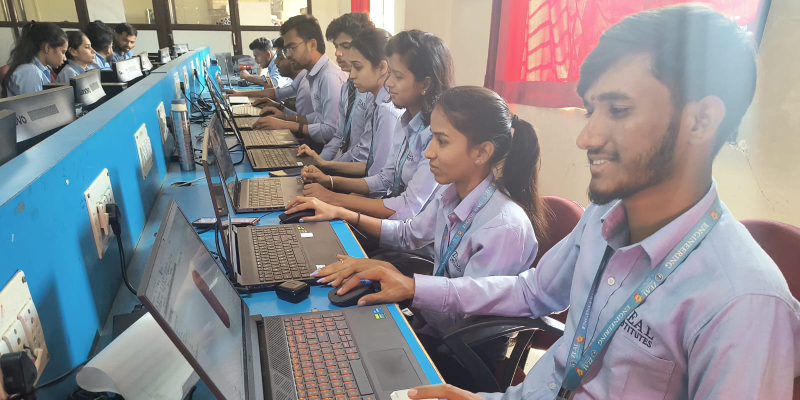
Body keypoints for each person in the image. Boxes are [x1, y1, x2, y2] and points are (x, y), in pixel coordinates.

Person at [322, 5, 800, 400]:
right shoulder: (603, 220)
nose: (586, 137)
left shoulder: (744, 304)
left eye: (618, 110)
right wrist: (417, 290)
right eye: (592, 110)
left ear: (702, 120)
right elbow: (532, 293)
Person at [289, 86, 548, 339]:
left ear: (482, 152)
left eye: (442, 141)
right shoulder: (451, 194)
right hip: (429, 322)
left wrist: (405, 283)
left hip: (453, 350)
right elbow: (408, 234)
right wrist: (343, 214)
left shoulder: (502, 228)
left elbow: (462, 321)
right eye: (431, 138)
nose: (428, 152)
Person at [296, 30, 452, 221]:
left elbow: (407, 208)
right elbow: (384, 179)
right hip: (394, 220)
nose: (389, 82)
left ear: (425, 84)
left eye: (398, 76)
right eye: (391, 74)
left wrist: (333, 198)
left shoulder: (435, 136)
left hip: (409, 228)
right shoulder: (405, 121)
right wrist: (328, 180)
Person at [297, 26, 400, 177]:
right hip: (351, 170)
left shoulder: (384, 106)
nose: (338, 53)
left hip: (358, 175)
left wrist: (327, 172)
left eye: (345, 46)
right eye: (336, 46)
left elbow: (374, 173)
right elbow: (340, 136)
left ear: (382, 67)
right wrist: (320, 164)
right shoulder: (349, 88)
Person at [252, 14, 348, 147]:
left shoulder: (329, 77)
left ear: (312, 45)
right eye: (286, 49)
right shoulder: (314, 74)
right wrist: (284, 116)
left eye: (292, 47)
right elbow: (318, 117)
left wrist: (285, 124)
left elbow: (331, 131)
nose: (288, 54)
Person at [3, 22, 67, 97]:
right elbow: (36, 104)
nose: (65, 58)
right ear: (48, 48)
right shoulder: (29, 72)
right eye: (63, 52)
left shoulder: (42, 70)